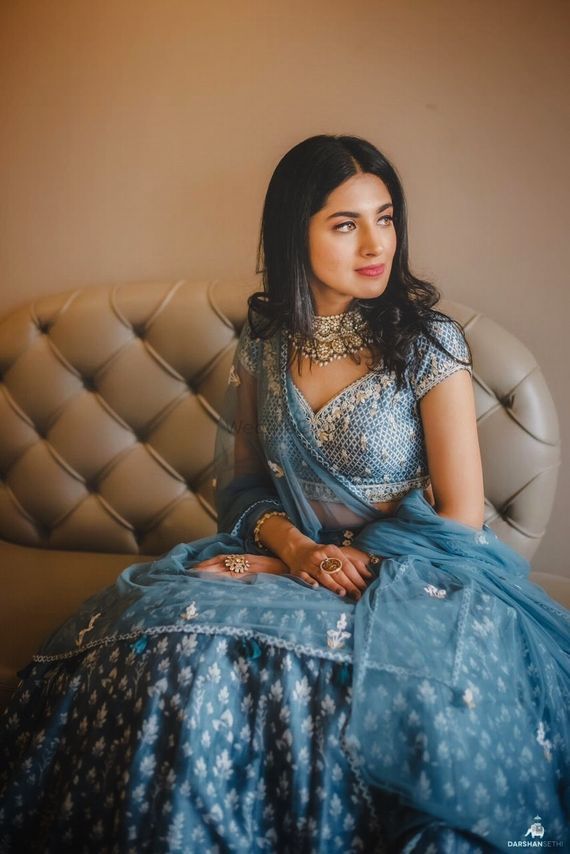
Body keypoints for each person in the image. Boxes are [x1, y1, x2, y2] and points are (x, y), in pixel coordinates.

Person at [0, 134, 568, 853]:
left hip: (410, 573)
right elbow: (240, 490)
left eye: (386, 217)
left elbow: (458, 518)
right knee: (167, 646)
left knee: (415, 686)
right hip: (284, 555)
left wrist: (331, 563)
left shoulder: (428, 343)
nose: (376, 243)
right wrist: (290, 551)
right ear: (292, 233)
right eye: (345, 223)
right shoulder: (264, 344)